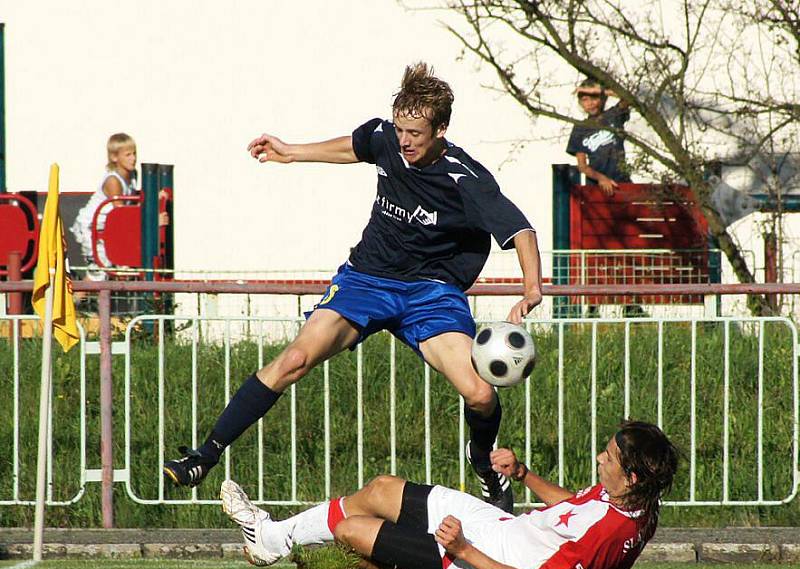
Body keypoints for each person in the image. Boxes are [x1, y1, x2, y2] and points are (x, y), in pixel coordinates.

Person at [163, 63, 543, 513]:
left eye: (415, 133)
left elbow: (520, 230)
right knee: (295, 358)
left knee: (480, 394)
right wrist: (291, 152)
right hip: (366, 279)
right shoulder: (388, 140)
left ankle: (484, 466)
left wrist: (531, 289)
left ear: (441, 129)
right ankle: (204, 455)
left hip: (431, 294)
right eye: (400, 129)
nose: (404, 141)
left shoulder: (466, 178)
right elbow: (355, 147)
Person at [220, 420, 679, 569]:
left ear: (633, 477)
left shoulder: (612, 531)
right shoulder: (630, 498)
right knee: (382, 489)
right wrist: (523, 475)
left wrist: (463, 550)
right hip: (498, 526)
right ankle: (271, 539)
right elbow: (572, 507)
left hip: (487, 565)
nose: (600, 458)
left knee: (353, 532)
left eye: (609, 457)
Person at [69, 133, 139, 280]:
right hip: (91, 228)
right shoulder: (113, 180)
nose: (133, 158)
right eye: (127, 155)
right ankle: (75, 301)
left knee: (118, 270)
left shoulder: (132, 176)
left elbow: (133, 203)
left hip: (109, 229)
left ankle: (102, 302)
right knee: (99, 274)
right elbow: (121, 213)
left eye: (134, 153)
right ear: (114, 157)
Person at [566, 79, 631, 196]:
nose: (590, 103)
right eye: (585, 100)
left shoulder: (614, 115)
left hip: (621, 182)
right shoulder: (580, 128)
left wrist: (599, 90)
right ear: (580, 103)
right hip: (596, 186)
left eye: (594, 98)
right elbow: (582, 166)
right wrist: (601, 178)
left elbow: (628, 98)